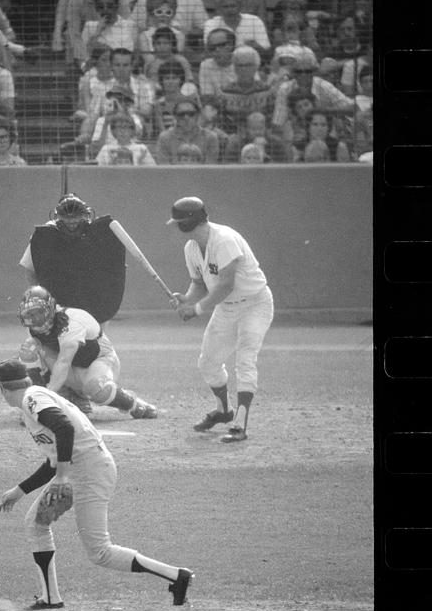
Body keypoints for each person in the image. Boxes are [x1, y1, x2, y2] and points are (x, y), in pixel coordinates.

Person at [0, 358, 193, 610]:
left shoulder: (32, 399)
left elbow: (65, 429)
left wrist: (64, 477)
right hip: (83, 469)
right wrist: (20, 490)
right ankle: (50, 597)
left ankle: (177, 576)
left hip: (91, 472)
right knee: (36, 523)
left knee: (100, 552)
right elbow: (56, 459)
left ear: (3, 389)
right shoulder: (36, 398)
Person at [167, 197, 274, 443]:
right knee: (208, 363)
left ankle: (240, 424)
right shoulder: (192, 248)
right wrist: (186, 298)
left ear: (188, 222)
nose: (176, 227)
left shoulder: (224, 239)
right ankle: (223, 411)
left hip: (255, 304)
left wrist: (196, 310)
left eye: (179, 222)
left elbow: (225, 285)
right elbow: (199, 283)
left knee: (245, 360)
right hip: (226, 309)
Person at [14, 286, 158, 419]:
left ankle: (131, 403)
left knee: (96, 388)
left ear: (51, 307)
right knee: (29, 351)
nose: (35, 319)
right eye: (30, 314)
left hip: (99, 361)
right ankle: (50, 402)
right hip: (68, 370)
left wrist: (45, 399)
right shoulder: (33, 328)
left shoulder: (70, 322)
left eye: (39, 312)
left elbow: (64, 363)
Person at [18, 193, 126, 325]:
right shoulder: (45, 237)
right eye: (67, 221)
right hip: (58, 299)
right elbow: (30, 269)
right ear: (57, 217)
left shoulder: (98, 236)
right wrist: (41, 296)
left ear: (86, 216)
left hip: (92, 301)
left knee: (95, 339)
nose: (72, 225)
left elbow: (112, 268)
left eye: (76, 220)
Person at [202, 0, 271, 59]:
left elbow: (266, 53)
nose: (229, 10)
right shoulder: (211, 24)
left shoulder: (255, 21)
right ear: (219, 8)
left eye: (233, 6)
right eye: (225, 7)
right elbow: (208, 53)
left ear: (240, 6)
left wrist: (256, 47)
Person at [80, 0, 138, 65]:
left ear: (117, 6)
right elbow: (83, 58)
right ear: (96, 8)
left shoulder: (130, 26)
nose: (105, 10)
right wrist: (97, 33)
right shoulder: (89, 26)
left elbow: (134, 58)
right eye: (101, 7)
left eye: (110, 6)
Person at [155, 98, 219, 164]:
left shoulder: (210, 137)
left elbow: (210, 168)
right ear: (175, 116)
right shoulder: (165, 137)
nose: (186, 118)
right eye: (181, 114)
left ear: (198, 115)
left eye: (191, 114)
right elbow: (164, 167)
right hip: (173, 174)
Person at [137, 0, 187, 67]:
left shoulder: (180, 36)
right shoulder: (143, 37)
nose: (163, 16)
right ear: (151, 13)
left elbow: (177, 59)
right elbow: (148, 60)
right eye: (159, 12)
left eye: (168, 12)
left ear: (173, 14)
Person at [198, 28, 237, 101]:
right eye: (212, 47)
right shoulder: (205, 65)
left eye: (221, 45)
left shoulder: (244, 60)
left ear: (231, 45)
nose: (217, 50)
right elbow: (207, 96)